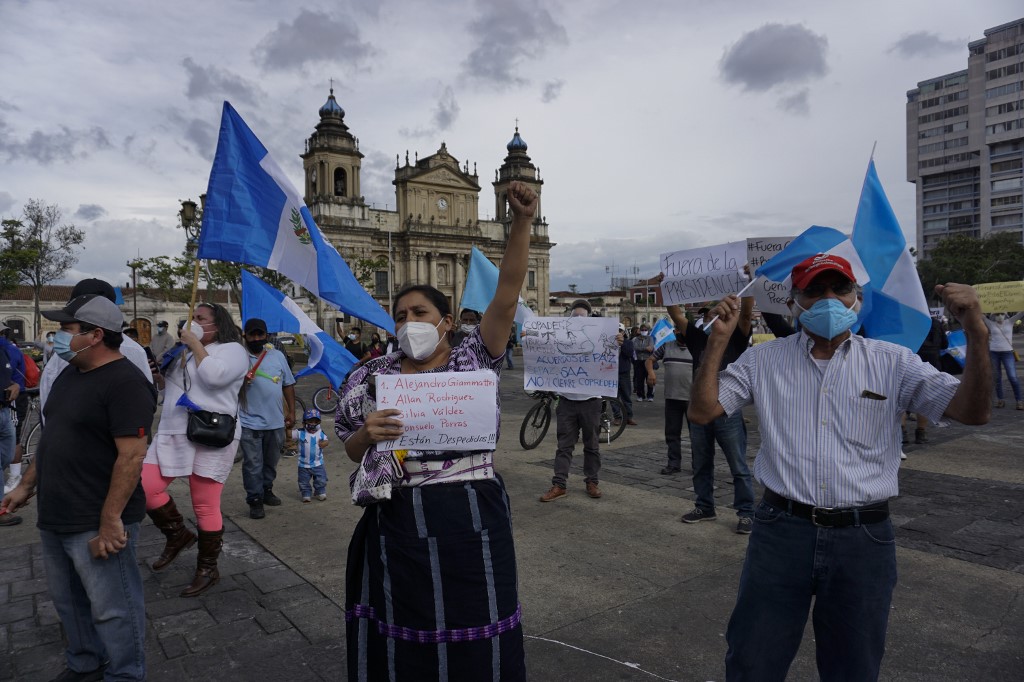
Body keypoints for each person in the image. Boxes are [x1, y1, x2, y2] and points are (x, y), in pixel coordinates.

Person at [689, 253, 992, 681]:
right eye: (814, 291)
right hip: (781, 532)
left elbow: (971, 411)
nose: (828, 299)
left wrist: (976, 333)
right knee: (753, 660)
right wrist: (717, 341)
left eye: (839, 289)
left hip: (862, 539)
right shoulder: (764, 361)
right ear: (794, 301)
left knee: (854, 666)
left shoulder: (893, 361)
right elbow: (703, 412)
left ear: (857, 297)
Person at [336, 179, 536, 681]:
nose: (408, 323)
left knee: (479, 613)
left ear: (446, 322)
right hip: (399, 517)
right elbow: (349, 446)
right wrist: (367, 435)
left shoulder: (472, 358)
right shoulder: (370, 375)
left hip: (471, 512)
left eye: (420, 313)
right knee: (406, 620)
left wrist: (522, 223)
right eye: (401, 315)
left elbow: (508, 295)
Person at [3, 294, 156, 680]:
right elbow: (55, 436)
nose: (56, 337)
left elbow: (132, 457)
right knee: (69, 601)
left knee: (114, 607)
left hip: (95, 516)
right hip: (56, 511)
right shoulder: (71, 373)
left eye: (67, 330)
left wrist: (110, 520)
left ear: (95, 335)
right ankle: (85, 661)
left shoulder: (126, 383)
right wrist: (25, 486)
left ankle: (125, 673)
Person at [142, 302, 248, 597]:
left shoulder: (233, 351)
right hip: (174, 429)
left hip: (212, 432)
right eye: (191, 318)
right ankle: (177, 535)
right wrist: (160, 373)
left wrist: (195, 345)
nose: (193, 323)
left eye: (200, 319)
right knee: (146, 487)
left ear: (218, 324)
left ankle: (207, 568)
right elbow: (172, 387)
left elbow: (215, 377)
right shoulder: (183, 350)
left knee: (205, 503)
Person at [668, 300, 755, 533]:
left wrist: (748, 286)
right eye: (707, 316)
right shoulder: (697, 339)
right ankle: (704, 506)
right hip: (699, 409)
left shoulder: (736, 337)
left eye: (715, 314)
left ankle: (747, 512)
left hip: (728, 411)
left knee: (738, 465)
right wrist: (670, 287)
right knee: (700, 462)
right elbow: (676, 314)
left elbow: (746, 315)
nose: (711, 318)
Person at [39, 278, 153, 414]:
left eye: (67, 328)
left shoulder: (133, 355)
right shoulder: (64, 357)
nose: (60, 335)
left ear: (96, 335)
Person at [539, 298, 605, 502]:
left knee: (592, 445)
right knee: (564, 445)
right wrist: (531, 339)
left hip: (591, 400)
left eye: (582, 316)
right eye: (574, 315)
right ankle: (559, 484)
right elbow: (544, 346)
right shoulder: (561, 338)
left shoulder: (599, 338)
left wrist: (619, 341)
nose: (578, 319)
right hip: (567, 401)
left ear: (589, 318)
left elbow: (613, 353)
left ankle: (592, 481)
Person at [238, 317, 296, 519]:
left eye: (259, 334)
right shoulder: (238, 358)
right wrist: (242, 382)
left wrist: (292, 411)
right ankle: (254, 499)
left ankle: (267, 489)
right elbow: (226, 387)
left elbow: (288, 383)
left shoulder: (277, 355)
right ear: (245, 335)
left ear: (266, 335)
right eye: (252, 334)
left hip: (275, 421)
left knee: (271, 461)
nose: (256, 338)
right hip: (248, 422)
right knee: (253, 464)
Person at [646, 326, 694, 475]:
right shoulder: (666, 346)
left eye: (684, 331)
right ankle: (673, 464)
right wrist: (651, 373)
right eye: (678, 331)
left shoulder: (697, 347)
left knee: (697, 435)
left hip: (693, 399)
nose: (681, 334)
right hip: (672, 397)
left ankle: (699, 465)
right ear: (674, 333)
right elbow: (650, 360)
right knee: (672, 433)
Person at [908, 316, 949, 444]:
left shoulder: (910, 320)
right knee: (924, 397)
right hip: (932, 363)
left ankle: (902, 433)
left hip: (912, 361)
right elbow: (945, 344)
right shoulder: (936, 323)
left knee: (900, 396)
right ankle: (921, 432)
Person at [0, 325, 20, 526]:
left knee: (5, 457)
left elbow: (13, 377)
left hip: (5, 411)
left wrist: (15, 386)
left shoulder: (4, 352)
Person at [984, 311, 1024, 410]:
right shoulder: (990, 323)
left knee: (1013, 377)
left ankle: (1019, 401)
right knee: (997, 378)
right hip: (994, 353)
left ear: (1005, 315)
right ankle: (1000, 399)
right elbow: (979, 314)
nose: (1000, 316)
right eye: (997, 314)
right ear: (993, 316)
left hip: (1008, 353)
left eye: (1001, 314)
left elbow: (1021, 313)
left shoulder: (1010, 321)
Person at [293, 408, 329, 502]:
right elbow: (289, 435)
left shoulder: (320, 432)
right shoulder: (300, 432)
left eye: (315, 421)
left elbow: (326, 440)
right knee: (303, 481)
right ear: (304, 422)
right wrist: (287, 427)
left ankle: (320, 491)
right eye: (310, 421)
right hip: (303, 464)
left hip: (318, 463)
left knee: (321, 479)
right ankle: (306, 493)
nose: (313, 424)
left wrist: (324, 444)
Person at [613, 322, 637, 426]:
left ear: (623, 332)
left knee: (626, 395)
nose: (618, 333)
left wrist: (621, 344)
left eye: (620, 331)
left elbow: (629, 354)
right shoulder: (609, 342)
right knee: (614, 397)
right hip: (611, 373)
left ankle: (628, 417)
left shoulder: (628, 343)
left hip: (624, 372)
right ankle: (617, 417)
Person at [633, 323, 655, 401]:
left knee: (649, 379)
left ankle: (650, 396)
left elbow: (651, 348)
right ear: (640, 330)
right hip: (639, 361)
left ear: (648, 331)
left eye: (645, 330)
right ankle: (640, 396)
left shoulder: (650, 339)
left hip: (648, 361)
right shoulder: (636, 339)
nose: (644, 331)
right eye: (642, 330)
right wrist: (645, 348)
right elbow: (635, 347)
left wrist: (642, 348)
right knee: (639, 380)